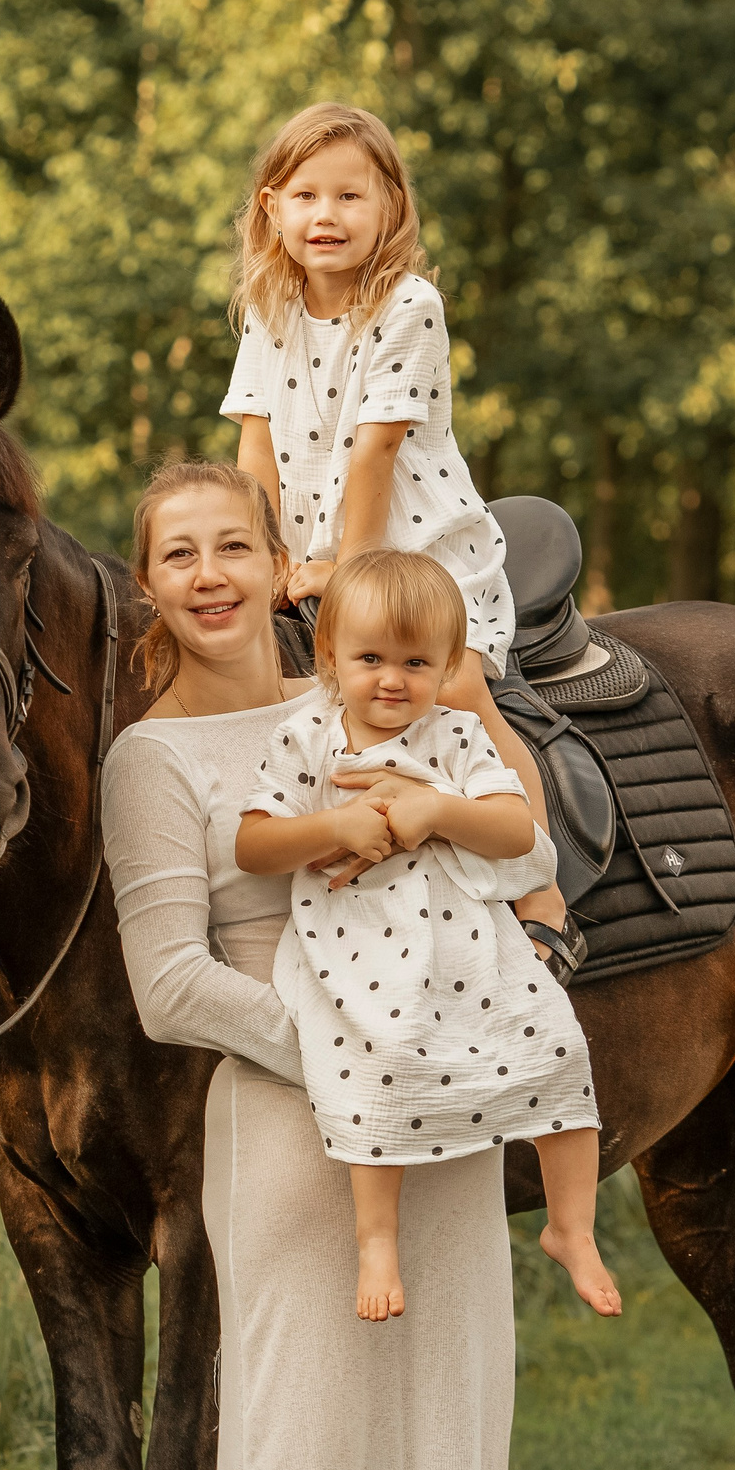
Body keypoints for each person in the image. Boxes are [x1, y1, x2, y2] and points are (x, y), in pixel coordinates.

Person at [102, 460, 514, 1470]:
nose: (209, 575)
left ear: (282, 565)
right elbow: (171, 988)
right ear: (148, 585)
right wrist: (368, 1052)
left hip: (441, 1119)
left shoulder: (378, 694)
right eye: (178, 554)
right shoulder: (153, 759)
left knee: (449, 1433)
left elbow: (508, 856)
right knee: (300, 1452)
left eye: (233, 545)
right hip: (293, 1125)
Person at [220, 101, 576, 966]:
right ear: (273, 209)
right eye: (306, 196)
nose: (327, 216)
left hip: (414, 554)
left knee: (457, 692)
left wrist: (350, 572)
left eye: (351, 196)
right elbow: (255, 443)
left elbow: (376, 454)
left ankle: (540, 881)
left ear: (391, 208)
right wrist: (257, 554)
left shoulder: (408, 304)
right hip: (311, 555)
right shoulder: (270, 305)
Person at [235, 549, 617, 1323]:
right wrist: (333, 826)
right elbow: (253, 844)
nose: (392, 679)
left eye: (416, 661)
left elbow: (516, 832)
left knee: (558, 1048)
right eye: (370, 657)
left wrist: (438, 808)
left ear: (446, 666)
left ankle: (571, 1226)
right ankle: (377, 1238)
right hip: (357, 945)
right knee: (373, 1064)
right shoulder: (307, 735)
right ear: (331, 656)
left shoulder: (458, 734)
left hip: (469, 942)